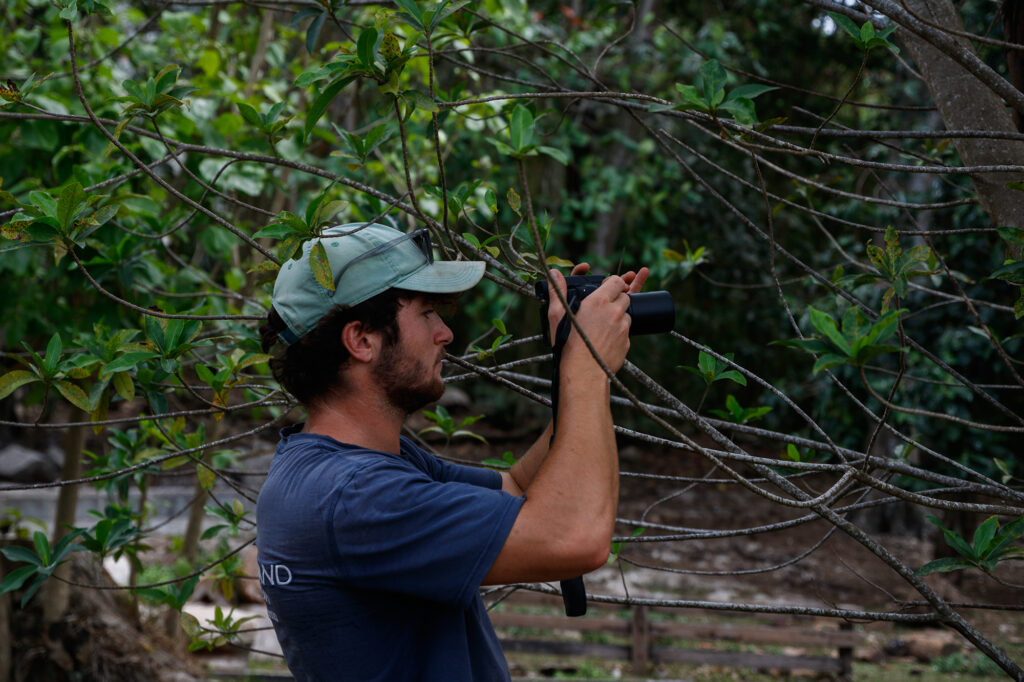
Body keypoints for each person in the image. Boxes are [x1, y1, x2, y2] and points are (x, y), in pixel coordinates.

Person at [256, 221, 648, 681]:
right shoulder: (354, 496)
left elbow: (518, 488)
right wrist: (588, 368)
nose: (445, 333)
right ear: (361, 340)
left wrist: (573, 360)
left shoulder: (354, 467)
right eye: (426, 314)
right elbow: (573, 539)